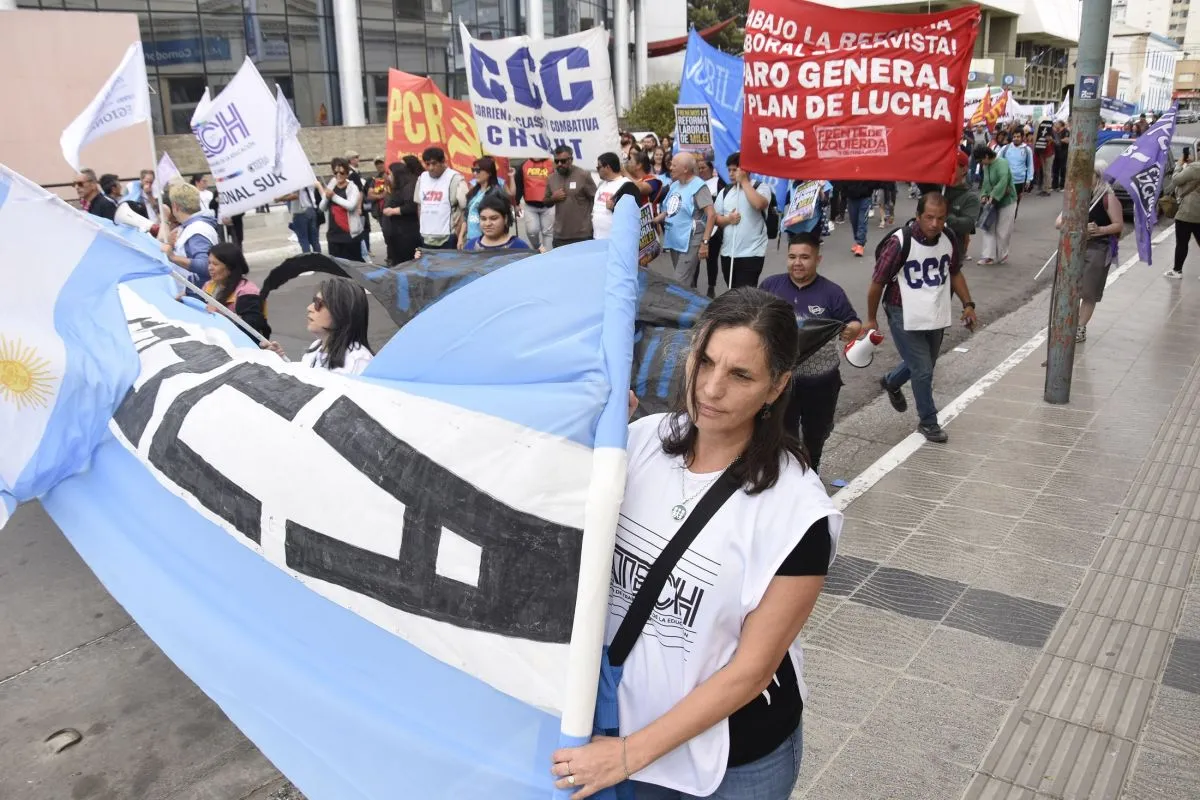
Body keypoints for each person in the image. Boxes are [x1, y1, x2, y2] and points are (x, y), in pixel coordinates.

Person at [549, 288, 840, 800]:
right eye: (704, 361)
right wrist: (587, 431)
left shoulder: (799, 512)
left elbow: (752, 671)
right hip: (616, 729)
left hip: (732, 762)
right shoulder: (639, 442)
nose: (711, 387)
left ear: (776, 386)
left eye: (740, 375)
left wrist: (626, 755)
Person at [866, 193, 977, 443]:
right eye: (929, 217)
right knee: (923, 370)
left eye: (940, 218)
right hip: (902, 311)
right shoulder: (900, 242)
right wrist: (871, 319)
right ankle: (928, 422)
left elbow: (955, 272)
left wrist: (968, 305)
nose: (935, 224)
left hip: (935, 311)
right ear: (918, 216)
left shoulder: (948, 238)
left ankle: (891, 382)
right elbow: (877, 283)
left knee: (925, 363)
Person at [760, 233, 861, 471]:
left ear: (818, 259)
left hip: (821, 382)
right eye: (792, 257)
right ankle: (788, 477)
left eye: (805, 257)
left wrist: (852, 330)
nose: (797, 263)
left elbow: (853, 321)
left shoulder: (832, 293)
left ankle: (812, 470)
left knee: (817, 435)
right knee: (783, 436)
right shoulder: (770, 286)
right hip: (782, 382)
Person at [1054, 165, 1123, 342]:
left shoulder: (1108, 197)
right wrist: (1078, 227)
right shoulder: (1077, 195)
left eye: (1088, 174)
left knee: (1088, 291)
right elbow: (1059, 222)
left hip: (1098, 248)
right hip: (1074, 247)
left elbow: (1118, 225)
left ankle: (1080, 327)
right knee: (1069, 287)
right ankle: (1067, 322)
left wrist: (1100, 230)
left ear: (1098, 176)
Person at [261, 277, 374, 375]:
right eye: (314, 301)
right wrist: (279, 359)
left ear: (341, 312)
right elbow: (305, 381)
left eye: (318, 303)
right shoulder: (316, 346)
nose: (309, 308)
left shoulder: (359, 360)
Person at [655, 152, 716, 287]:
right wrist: (655, 220)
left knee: (679, 281)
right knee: (686, 280)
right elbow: (669, 210)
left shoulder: (699, 186)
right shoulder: (674, 185)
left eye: (674, 165)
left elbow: (711, 215)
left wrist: (705, 242)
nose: (670, 168)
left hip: (691, 240)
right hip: (675, 239)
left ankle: (679, 301)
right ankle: (692, 300)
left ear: (685, 169)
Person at [713, 152, 771, 292]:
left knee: (745, 294)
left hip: (752, 253)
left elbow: (759, 204)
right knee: (733, 292)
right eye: (729, 170)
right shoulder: (725, 192)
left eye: (735, 170)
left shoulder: (760, 187)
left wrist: (744, 182)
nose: (731, 174)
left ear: (745, 170)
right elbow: (715, 218)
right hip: (728, 253)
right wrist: (728, 219)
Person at [200, 242, 270, 338]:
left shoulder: (247, 292)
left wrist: (220, 315)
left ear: (230, 267)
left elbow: (251, 328)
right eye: (209, 263)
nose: (210, 268)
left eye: (215, 264)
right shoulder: (209, 285)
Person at [161, 181, 221, 283]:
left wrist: (173, 257)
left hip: (200, 291)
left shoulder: (197, 229)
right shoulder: (192, 227)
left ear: (175, 206)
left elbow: (206, 266)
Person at [416, 146, 467, 250]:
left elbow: (465, 209)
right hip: (426, 236)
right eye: (427, 164)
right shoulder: (422, 178)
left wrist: (459, 234)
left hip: (448, 237)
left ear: (443, 161)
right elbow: (419, 205)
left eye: (434, 163)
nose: (431, 168)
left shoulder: (455, 178)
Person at [544, 145, 596, 246]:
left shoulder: (583, 175)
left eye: (563, 161)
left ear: (571, 160)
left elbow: (595, 200)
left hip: (582, 235)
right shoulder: (551, 178)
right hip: (560, 236)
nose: (559, 164)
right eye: (556, 161)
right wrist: (553, 198)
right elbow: (545, 202)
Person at [976, 144, 1017, 265]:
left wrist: (993, 196)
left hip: (1007, 201)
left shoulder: (1002, 163)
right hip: (991, 202)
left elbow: (1003, 181)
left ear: (986, 156)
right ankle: (988, 256)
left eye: (980, 160)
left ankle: (1002, 255)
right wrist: (984, 195)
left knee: (1003, 230)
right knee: (988, 227)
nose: (980, 163)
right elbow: (985, 183)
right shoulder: (986, 166)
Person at [319, 157, 364, 261]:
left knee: (353, 265)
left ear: (347, 173)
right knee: (337, 266)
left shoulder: (352, 187)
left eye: (342, 173)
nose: (338, 175)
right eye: (335, 173)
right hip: (333, 235)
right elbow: (322, 207)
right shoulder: (332, 184)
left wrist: (334, 196)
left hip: (349, 235)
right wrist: (326, 197)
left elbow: (351, 206)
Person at [696, 152, 728, 295]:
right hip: (697, 226)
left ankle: (711, 287)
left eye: (703, 168)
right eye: (698, 168)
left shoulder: (718, 183)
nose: (701, 171)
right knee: (695, 259)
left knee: (712, 258)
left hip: (714, 227)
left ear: (711, 168)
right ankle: (692, 287)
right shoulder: (695, 183)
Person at [1166, 153, 1200, 279]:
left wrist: (1179, 165)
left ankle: (1177, 270)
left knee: (1182, 242)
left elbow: (1176, 180)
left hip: (1188, 211)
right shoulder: (1194, 167)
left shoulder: (1195, 167)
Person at [461, 156, 508, 247]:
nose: (475, 173)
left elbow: (503, 218)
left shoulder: (496, 192)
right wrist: (461, 236)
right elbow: (466, 216)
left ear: (489, 173)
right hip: (470, 239)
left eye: (478, 170)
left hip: (487, 241)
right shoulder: (473, 192)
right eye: (473, 170)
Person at [382, 161, 421, 265]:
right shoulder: (398, 187)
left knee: (407, 263)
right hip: (397, 232)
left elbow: (411, 207)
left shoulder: (409, 187)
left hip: (407, 233)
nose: (389, 176)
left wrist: (393, 211)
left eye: (390, 174)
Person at [464, 193, 531, 251]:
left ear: (505, 219)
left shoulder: (520, 247)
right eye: (483, 219)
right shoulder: (470, 247)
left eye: (493, 218)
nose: (487, 224)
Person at [515, 155, 555, 251]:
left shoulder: (552, 164)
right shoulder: (524, 165)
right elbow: (519, 185)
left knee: (548, 233)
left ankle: (548, 255)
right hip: (530, 206)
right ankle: (538, 248)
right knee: (532, 231)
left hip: (549, 206)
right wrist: (516, 203)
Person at [593, 151, 635, 240]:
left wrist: (614, 207)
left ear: (607, 167)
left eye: (599, 167)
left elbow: (633, 213)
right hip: (598, 238)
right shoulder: (602, 184)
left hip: (616, 240)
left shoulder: (627, 185)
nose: (597, 170)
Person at [999, 128, 1034, 215]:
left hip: (1019, 181)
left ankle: (1012, 219)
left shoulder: (1027, 150)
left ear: (1022, 137)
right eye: (1014, 136)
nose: (1016, 138)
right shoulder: (1005, 148)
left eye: (1018, 137)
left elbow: (1030, 165)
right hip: (1006, 180)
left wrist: (1029, 179)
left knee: (1016, 201)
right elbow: (998, 161)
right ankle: (1004, 217)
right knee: (1005, 201)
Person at [282, 185, 322, 254]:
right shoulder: (309, 181)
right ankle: (319, 258)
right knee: (314, 240)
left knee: (304, 240)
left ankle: (308, 258)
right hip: (312, 210)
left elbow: (295, 196)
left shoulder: (296, 182)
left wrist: (279, 199)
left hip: (300, 212)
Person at [843, 180, 876, 257]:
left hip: (865, 197)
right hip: (851, 196)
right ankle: (858, 240)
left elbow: (873, 179)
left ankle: (860, 244)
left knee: (862, 221)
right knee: (854, 221)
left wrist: (868, 188)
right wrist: (845, 190)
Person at [1052, 121, 1070, 191]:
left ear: (1060, 124)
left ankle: (1062, 186)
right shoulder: (1056, 132)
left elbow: (1067, 140)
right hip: (1056, 153)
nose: (1055, 125)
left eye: (1057, 123)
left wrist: (1057, 140)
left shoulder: (1066, 131)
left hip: (1063, 153)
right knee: (1055, 169)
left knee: (1063, 169)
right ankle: (1054, 186)